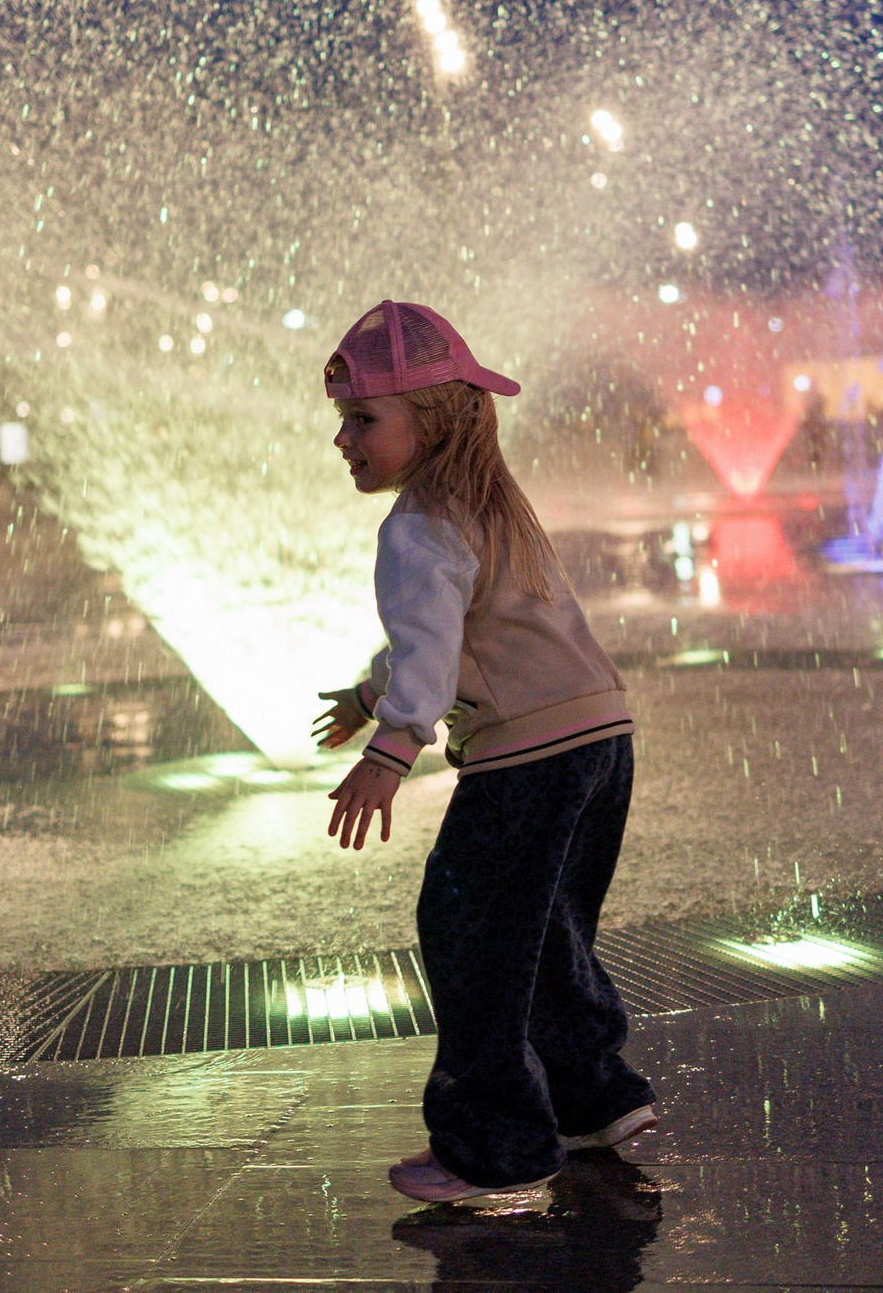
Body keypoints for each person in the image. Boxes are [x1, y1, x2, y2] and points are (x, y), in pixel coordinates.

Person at [313, 299, 658, 1205]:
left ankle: (496, 1144)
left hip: (529, 759)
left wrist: (388, 748)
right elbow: (455, 633)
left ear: (427, 419)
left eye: (362, 419)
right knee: (544, 930)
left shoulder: (415, 527)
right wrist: (364, 695)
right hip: (600, 738)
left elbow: (429, 655)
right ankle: (592, 1094)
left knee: (467, 933)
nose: (344, 440)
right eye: (343, 422)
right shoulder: (488, 501)